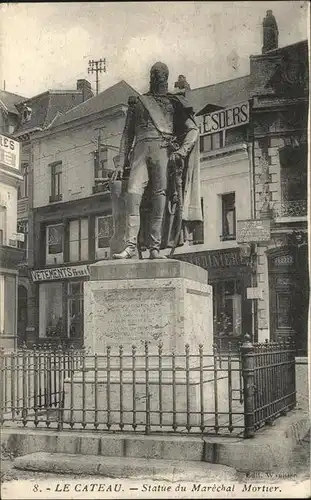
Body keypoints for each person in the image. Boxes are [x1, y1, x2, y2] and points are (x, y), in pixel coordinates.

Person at [112, 61, 202, 260]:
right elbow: (127, 135)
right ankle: (130, 246)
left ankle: (154, 247)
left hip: (163, 151)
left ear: (166, 78)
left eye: (161, 75)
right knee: (133, 194)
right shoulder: (138, 103)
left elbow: (193, 130)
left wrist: (182, 151)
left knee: (159, 197)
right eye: (155, 74)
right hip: (140, 150)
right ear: (151, 77)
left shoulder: (173, 103)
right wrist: (120, 163)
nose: (157, 77)